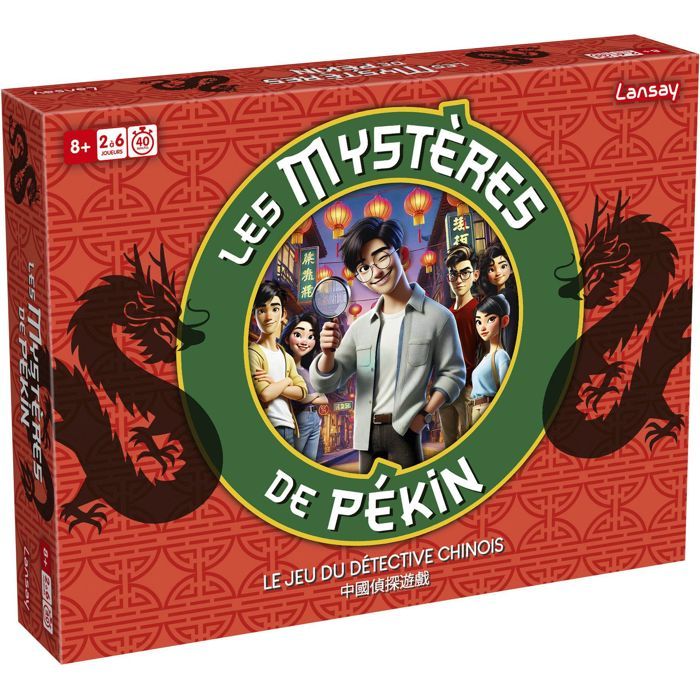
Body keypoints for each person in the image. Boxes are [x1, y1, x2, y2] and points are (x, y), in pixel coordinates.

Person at [310, 217, 465, 472]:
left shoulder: (439, 317)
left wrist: (423, 416)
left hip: (405, 430)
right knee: (369, 495)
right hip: (366, 435)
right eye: (364, 268)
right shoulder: (360, 327)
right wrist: (327, 354)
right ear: (360, 277)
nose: (377, 272)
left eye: (381, 257)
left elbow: (454, 374)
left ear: (401, 255)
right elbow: (327, 382)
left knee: (411, 493)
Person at [248, 280, 307, 446]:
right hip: (268, 427)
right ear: (254, 316)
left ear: (283, 315)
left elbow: (302, 391)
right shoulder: (252, 353)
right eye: (262, 310)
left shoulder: (286, 357)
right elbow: (265, 394)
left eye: (275, 309)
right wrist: (288, 381)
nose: (269, 317)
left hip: (290, 427)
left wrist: (276, 384)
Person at [439, 245, 480, 447]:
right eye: (454, 274)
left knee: (469, 442)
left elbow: (488, 350)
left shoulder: (480, 310)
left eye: (465, 273)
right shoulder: (445, 314)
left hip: (467, 388)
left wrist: (475, 385)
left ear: (475, 275)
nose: (459, 279)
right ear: (449, 278)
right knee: (449, 445)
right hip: (445, 388)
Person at [281, 313, 328, 461]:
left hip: (314, 418)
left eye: (310, 336)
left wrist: (307, 397)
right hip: (298, 418)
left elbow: (325, 399)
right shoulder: (284, 367)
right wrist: (313, 396)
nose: (305, 341)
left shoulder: (308, 369)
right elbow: (295, 398)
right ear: (287, 338)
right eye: (298, 334)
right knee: (294, 461)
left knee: (310, 462)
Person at [470, 294, 511, 426]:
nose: (482, 327)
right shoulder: (485, 357)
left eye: (490, 319)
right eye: (478, 322)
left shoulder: (501, 356)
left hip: (487, 408)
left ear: (504, 321)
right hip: (475, 409)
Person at [477, 244, 519, 358]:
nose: (498, 272)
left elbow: (509, 333)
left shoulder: (508, 296)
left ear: (511, 269)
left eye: (503, 266)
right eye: (491, 269)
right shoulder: (494, 298)